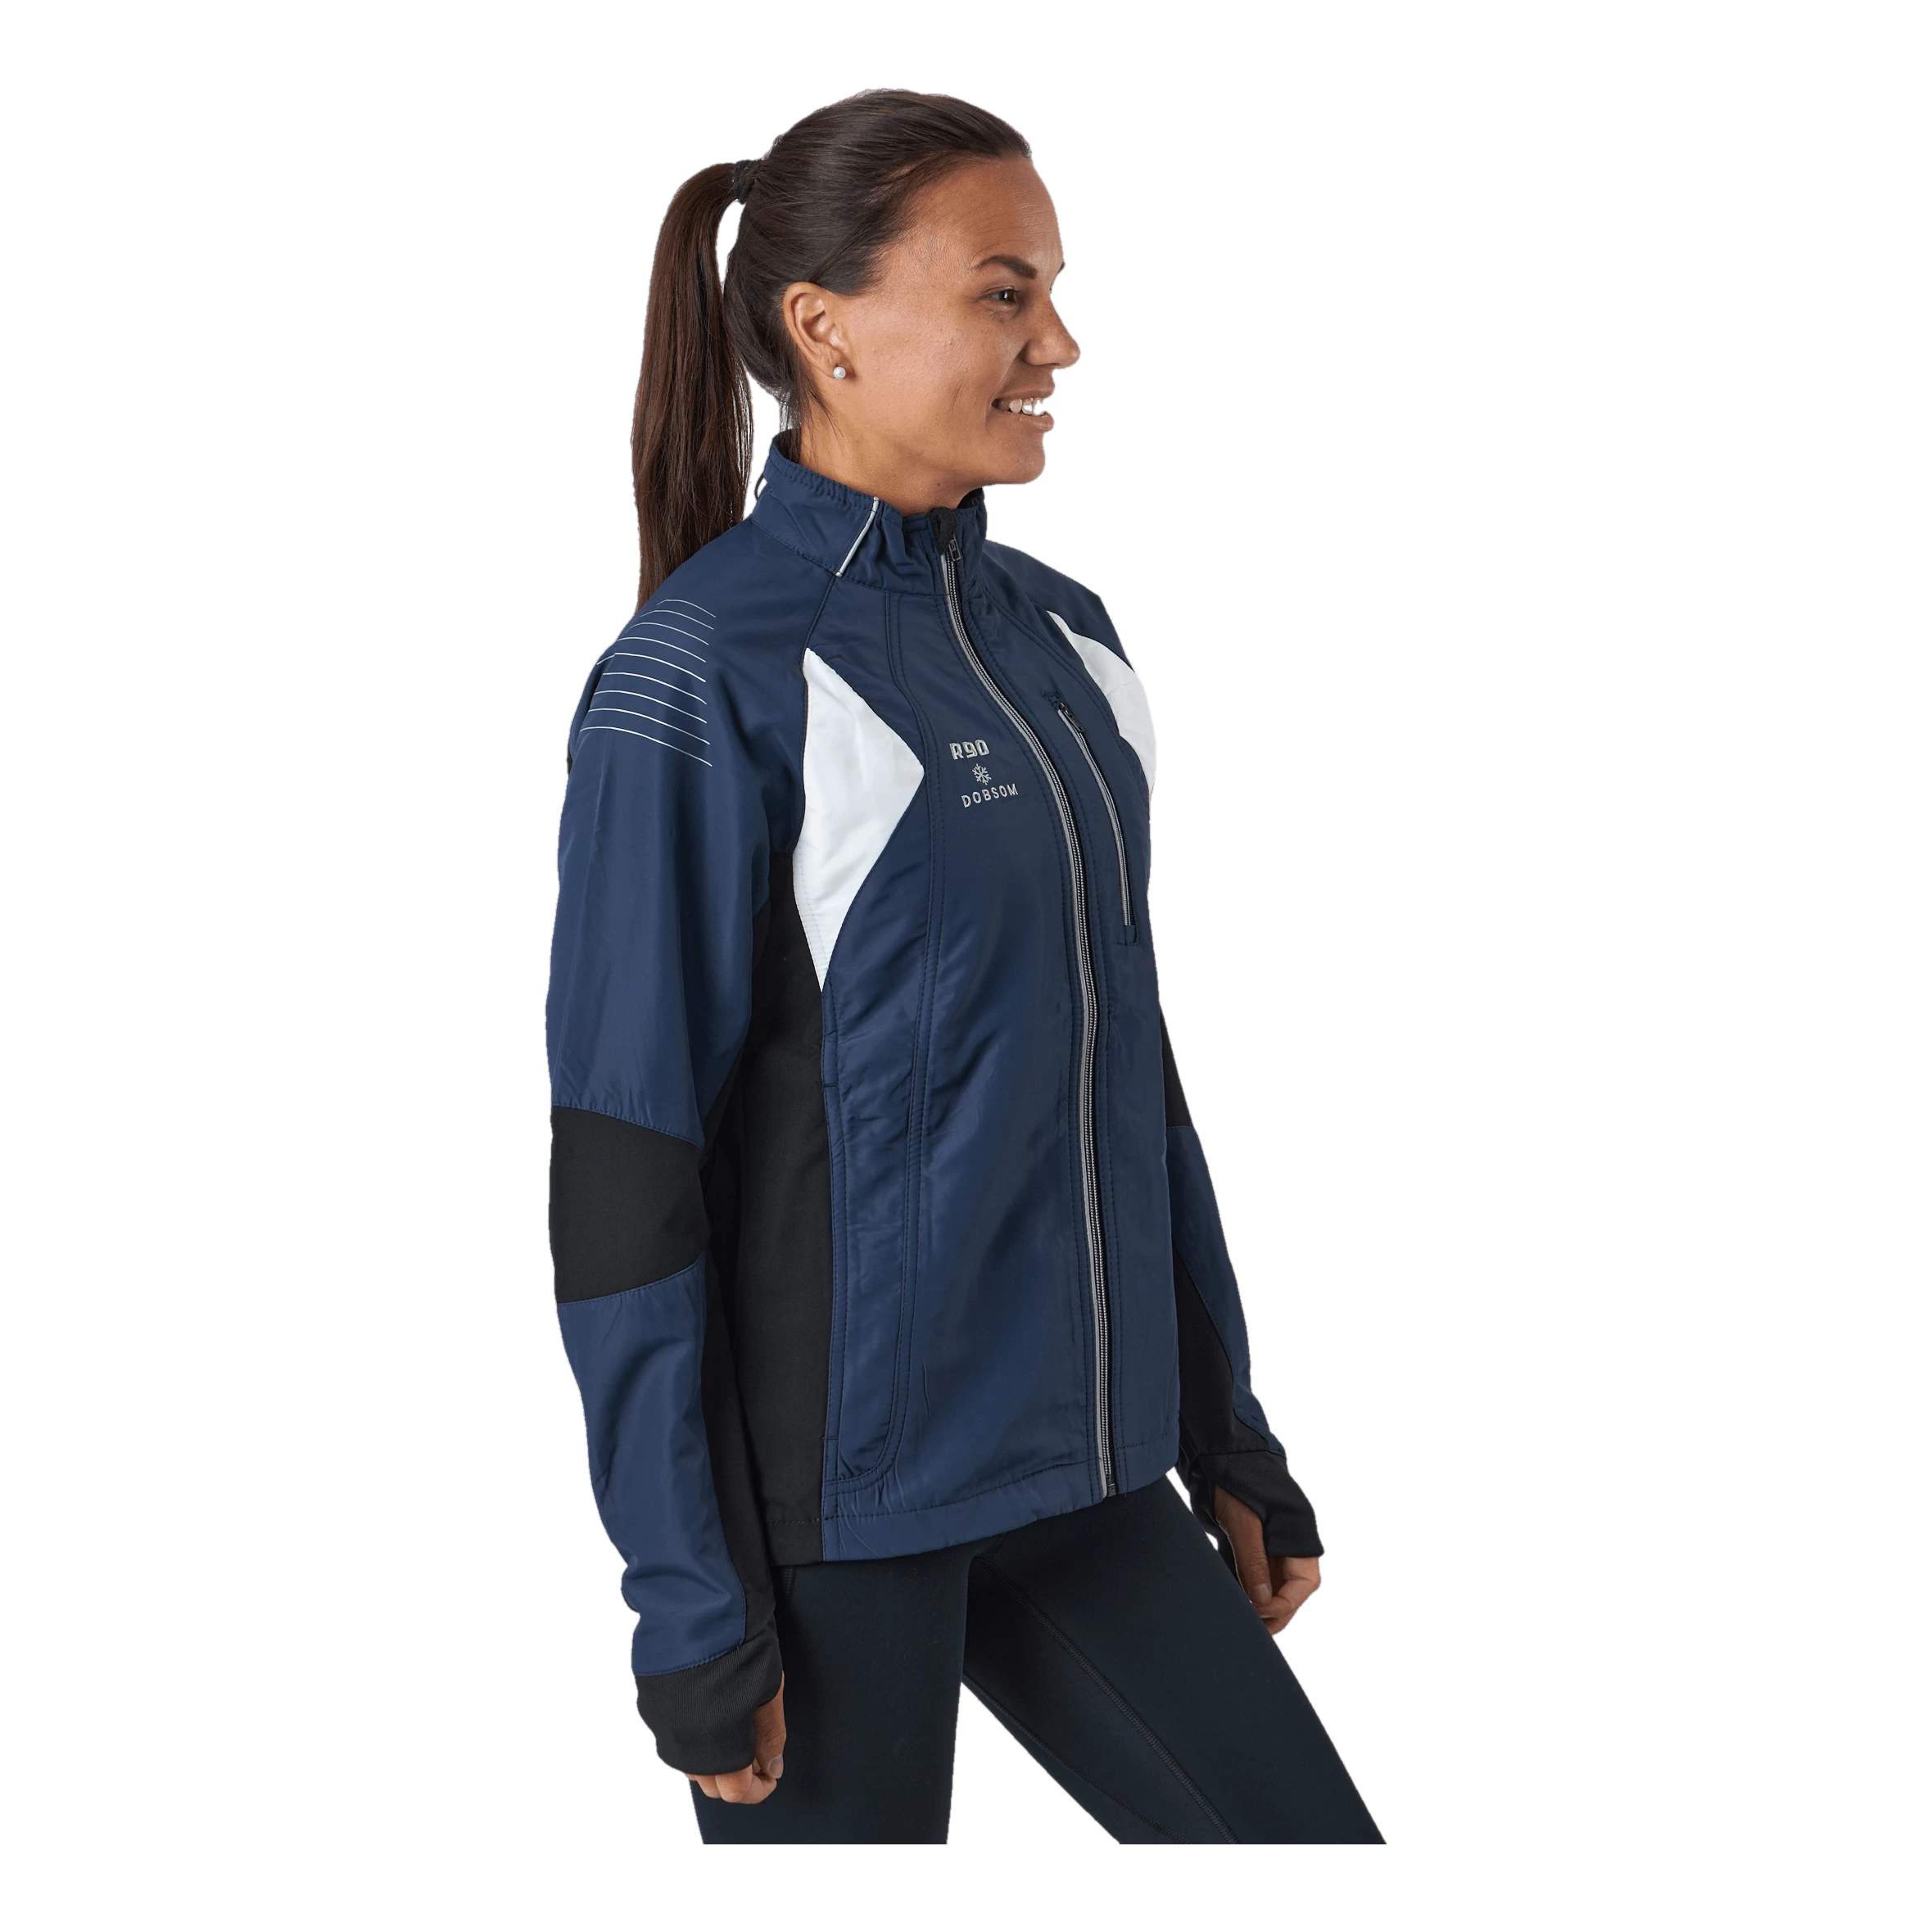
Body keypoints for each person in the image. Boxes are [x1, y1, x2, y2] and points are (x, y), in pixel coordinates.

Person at [545, 87, 1382, 1845]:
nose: (1058, 344)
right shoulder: (700, 679)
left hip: (1086, 1466)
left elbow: (1122, 1069)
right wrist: (687, 1598)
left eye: (1054, 292)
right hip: (833, 1519)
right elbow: (626, 1177)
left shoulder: (1067, 641)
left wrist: (1222, 1425)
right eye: (1007, 294)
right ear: (824, 327)